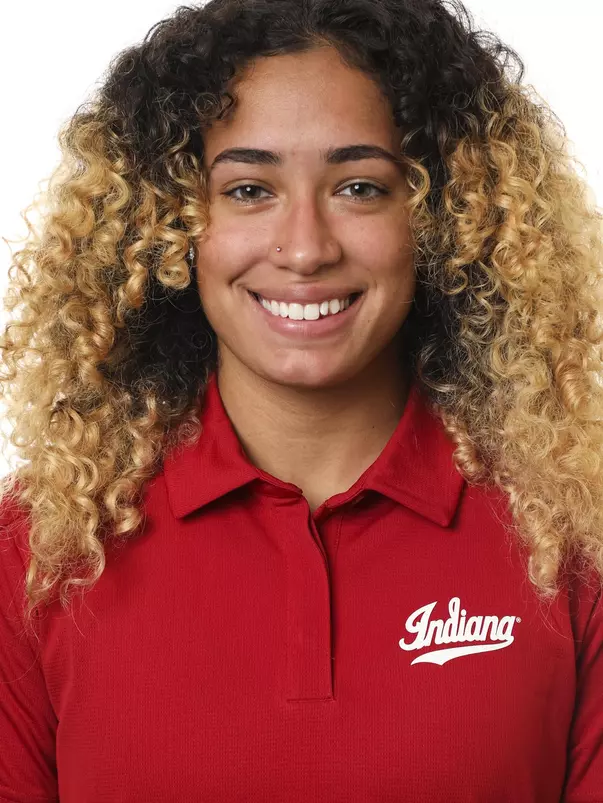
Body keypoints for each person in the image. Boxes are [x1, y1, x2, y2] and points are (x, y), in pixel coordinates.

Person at [0, 0, 602, 799]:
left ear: (440, 219)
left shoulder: (573, 540)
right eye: (249, 189)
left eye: (359, 187)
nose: (306, 248)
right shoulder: (38, 556)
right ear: (168, 225)